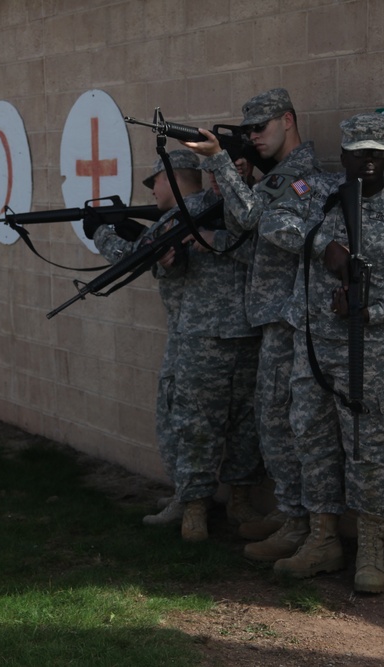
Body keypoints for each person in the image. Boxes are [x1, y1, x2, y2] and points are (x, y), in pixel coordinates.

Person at [273, 113, 384, 592]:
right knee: (313, 443)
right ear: (342, 154)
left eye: (377, 152)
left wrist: (369, 311)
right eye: (359, 151)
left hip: (370, 357)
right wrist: (323, 244)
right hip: (315, 352)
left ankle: (370, 549)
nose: (368, 161)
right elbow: (271, 220)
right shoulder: (321, 199)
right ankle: (324, 540)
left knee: (368, 452)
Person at [183, 88, 322, 554]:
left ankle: (299, 523)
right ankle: (290, 513)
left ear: (288, 119)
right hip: (273, 315)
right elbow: (245, 230)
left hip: (291, 316)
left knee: (286, 422)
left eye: (260, 128)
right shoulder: (276, 176)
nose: (254, 137)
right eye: (247, 132)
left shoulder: (300, 177)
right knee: (274, 421)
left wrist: (221, 161)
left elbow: (248, 218)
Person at [150, 155, 265, 542]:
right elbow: (159, 258)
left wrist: (221, 240)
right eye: (215, 175)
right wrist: (168, 261)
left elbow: (270, 253)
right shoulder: (186, 212)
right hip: (202, 337)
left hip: (250, 333)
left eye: (230, 173)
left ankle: (241, 499)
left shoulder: (256, 208)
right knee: (197, 425)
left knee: (247, 427)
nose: (221, 181)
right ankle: (195, 505)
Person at [84, 149, 199, 526]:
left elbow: (132, 259)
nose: (152, 190)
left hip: (189, 341)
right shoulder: (208, 211)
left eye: (157, 181)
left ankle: (190, 503)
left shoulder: (179, 221)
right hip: (219, 337)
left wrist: (100, 232)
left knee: (179, 423)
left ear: (176, 179)